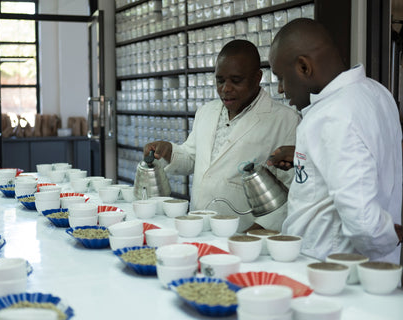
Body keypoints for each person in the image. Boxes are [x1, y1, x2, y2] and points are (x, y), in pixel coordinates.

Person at [267, 18, 403, 264]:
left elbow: (362, 221)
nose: (280, 90)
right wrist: (307, 158)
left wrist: (392, 234)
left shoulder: (333, 115)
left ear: (304, 67)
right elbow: (368, 160)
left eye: (280, 78)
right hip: (367, 268)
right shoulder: (377, 92)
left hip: (328, 268)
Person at [144, 39, 300, 233]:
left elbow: (291, 192)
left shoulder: (285, 120)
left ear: (257, 77)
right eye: (220, 80)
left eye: (236, 81)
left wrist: (254, 234)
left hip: (246, 234)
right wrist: (169, 151)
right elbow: (193, 157)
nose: (226, 88)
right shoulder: (206, 112)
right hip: (199, 228)